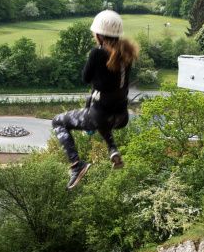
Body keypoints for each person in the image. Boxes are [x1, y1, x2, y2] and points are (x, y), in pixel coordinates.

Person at [52, 10, 139, 189]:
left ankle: (77, 165)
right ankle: (112, 149)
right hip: (121, 117)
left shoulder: (97, 53)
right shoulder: (126, 54)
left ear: (99, 35)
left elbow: (85, 78)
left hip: (100, 116)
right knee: (100, 113)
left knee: (58, 122)